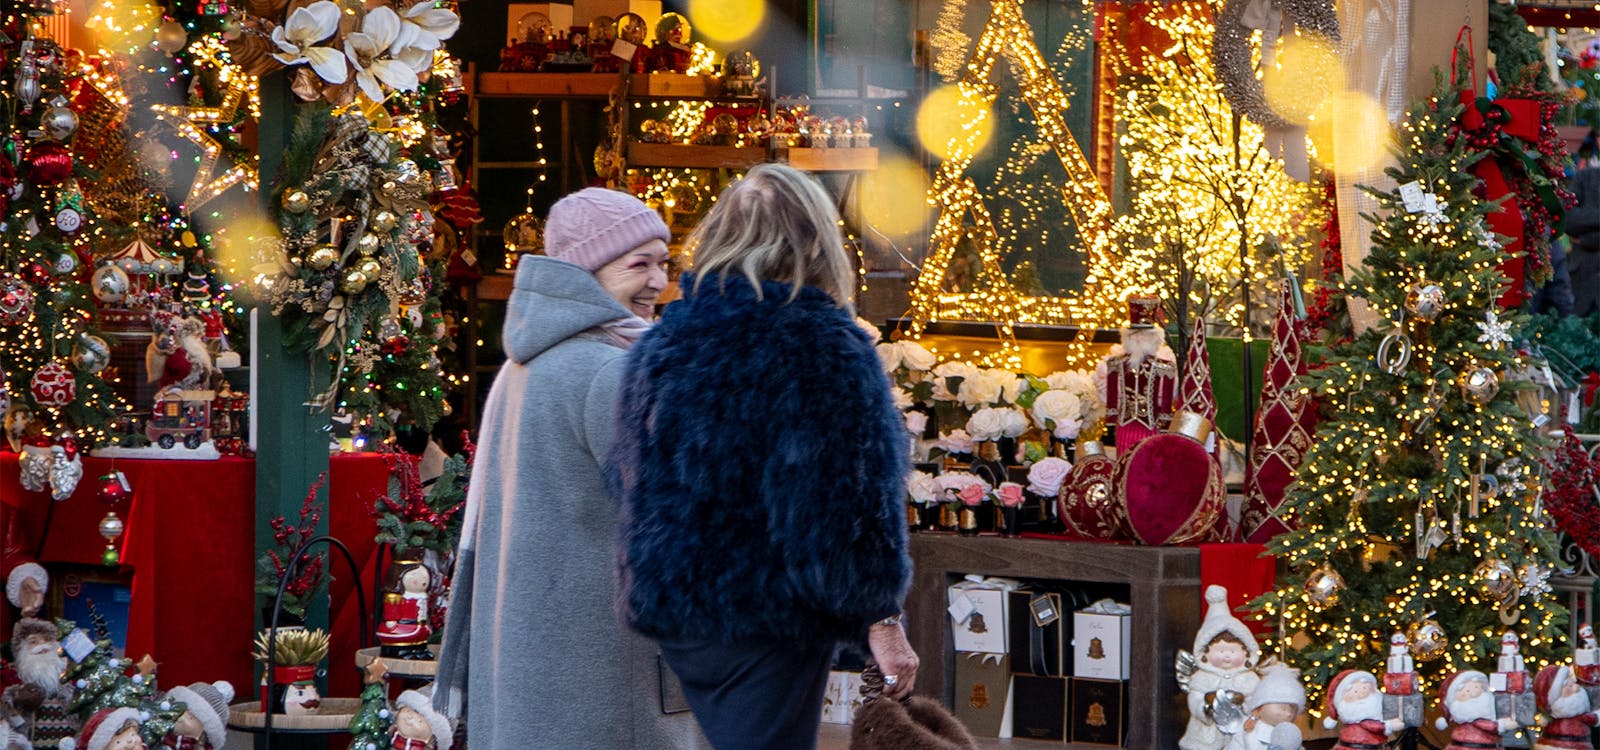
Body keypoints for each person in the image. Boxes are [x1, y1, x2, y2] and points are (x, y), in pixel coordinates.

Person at [610, 163, 916, 750]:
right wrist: (880, 618)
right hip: (766, 615)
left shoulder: (667, 337)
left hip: (680, 611)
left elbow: (628, 474)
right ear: (817, 241)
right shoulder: (819, 343)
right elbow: (839, 502)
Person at [431, 188, 706, 749]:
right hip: (605, 678)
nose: (659, 281)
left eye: (664, 262)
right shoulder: (611, 371)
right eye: (639, 264)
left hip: (528, 670)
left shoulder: (522, 367)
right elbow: (681, 520)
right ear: (587, 273)